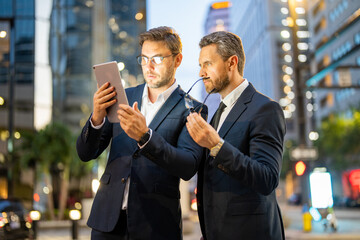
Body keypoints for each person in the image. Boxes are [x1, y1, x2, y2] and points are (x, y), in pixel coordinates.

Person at [77, 26, 207, 240]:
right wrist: (97, 118)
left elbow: (188, 166)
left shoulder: (193, 108)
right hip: (107, 223)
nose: (149, 66)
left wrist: (146, 137)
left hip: (156, 225)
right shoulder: (122, 97)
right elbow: (85, 153)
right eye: (144, 59)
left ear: (177, 60)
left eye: (157, 58)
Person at [186, 31, 286, 240]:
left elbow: (267, 178)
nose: (201, 73)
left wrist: (216, 146)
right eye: (200, 65)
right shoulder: (216, 115)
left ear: (232, 63)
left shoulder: (266, 109)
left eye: (207, 64)